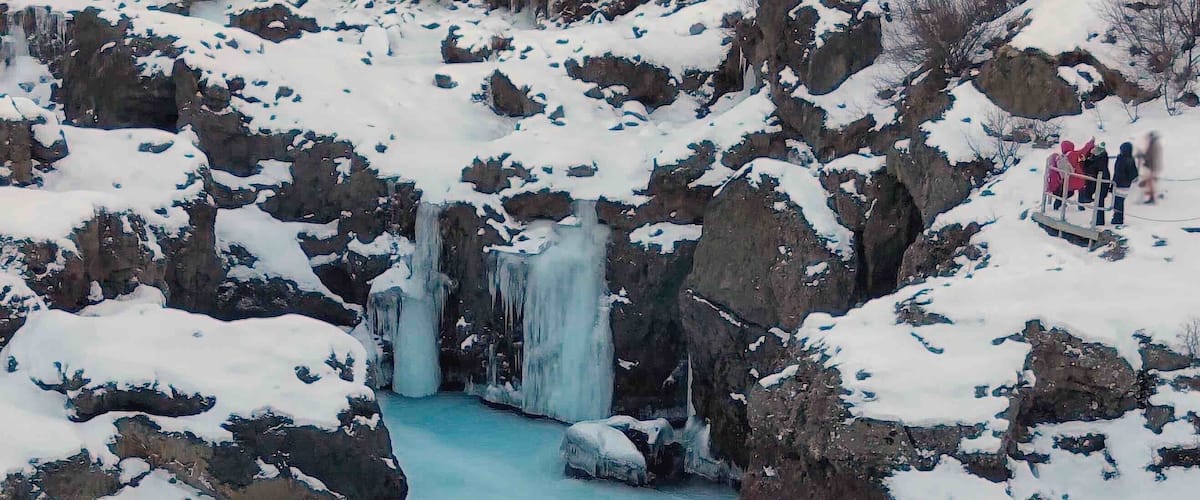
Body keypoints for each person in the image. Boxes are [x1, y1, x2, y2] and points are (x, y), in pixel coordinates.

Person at [1084, 143, 1112, 225]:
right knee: (1099, 200)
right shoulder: (1102, 156)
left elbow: (1092, 168)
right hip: (1103, 178)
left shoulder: (1099, 158)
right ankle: (1099, 220)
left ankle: (1099, 221)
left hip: (1101, 180)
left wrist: (1087, 160)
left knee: (1099, 200)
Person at [1113, 142, 1139, 225]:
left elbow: (1117, 172)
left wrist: (1113, 183)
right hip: (1126, 185)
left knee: (1117, 202)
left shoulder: (1121, 159)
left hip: (1119, 184)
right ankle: (1118, 218)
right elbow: (1134, 174)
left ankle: (1117, 218)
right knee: (1120, 201)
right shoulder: (1131, 159)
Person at [1138, 131, 1162, 204]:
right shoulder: (1155, 144)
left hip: (1152, 166)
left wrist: (1143, 156)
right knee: (1149, 181)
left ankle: (1152, 197)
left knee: (1150, 182)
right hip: (1152, 166)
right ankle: (1150, 194)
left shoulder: (1153, 145)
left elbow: (1150, 155)